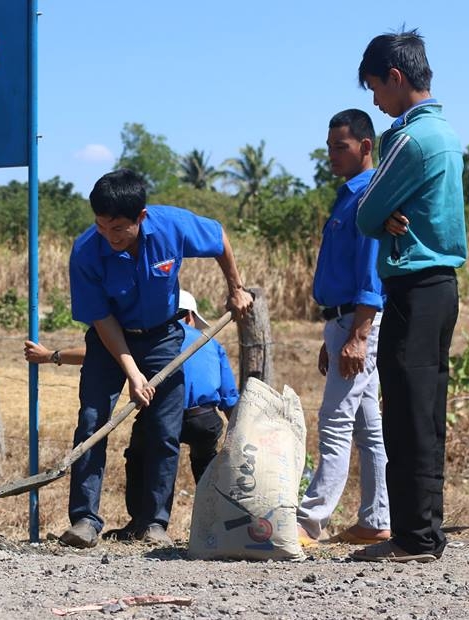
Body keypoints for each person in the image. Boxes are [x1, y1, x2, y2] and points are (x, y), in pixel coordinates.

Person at [60, 168, 252, 549]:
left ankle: (154, 523)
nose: (109, 237)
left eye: (118, 229)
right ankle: (85, 520)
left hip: (164, 337)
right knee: (92, 421)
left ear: (140, 217)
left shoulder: (171, 227)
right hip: (108, 340)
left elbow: (218, 238)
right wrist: (132, 372)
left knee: (164, 431)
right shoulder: (86, 251)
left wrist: (236, 288)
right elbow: (102, 318)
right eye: (101, 227)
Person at [352, 29, 467, 563]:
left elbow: (365, 211)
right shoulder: (446, 133)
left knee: (404, 412)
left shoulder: (408, 138)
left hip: (411, 288)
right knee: (426, 410)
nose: (375, 100)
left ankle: (414, 538)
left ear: (396, 78)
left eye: (376, 87)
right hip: (442, 289)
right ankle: (425, 531)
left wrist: (385, 220)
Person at [25, 290, 239, 544]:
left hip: (159, 412)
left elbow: (96, 354)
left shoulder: (156, 340)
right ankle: (214, 525)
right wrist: (237, 437)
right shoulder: (210, 343)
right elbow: (230, 397)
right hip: (204, 418)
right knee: (205, 467)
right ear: (190, 317)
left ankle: (139, 521)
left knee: (138, 457)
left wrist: (52, 356)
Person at [295, 109, 390, 548]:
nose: (332, 154)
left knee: (334, 421)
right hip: (342, 319)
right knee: (369, 426)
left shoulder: (369, 194)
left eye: (341, 147)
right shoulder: (347, 195)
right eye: (330, 145)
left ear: (365, 147)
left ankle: (310, 519)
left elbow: (371, 275)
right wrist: (332, 332)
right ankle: (376, 518)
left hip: (358, 319)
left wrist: (357, 334)